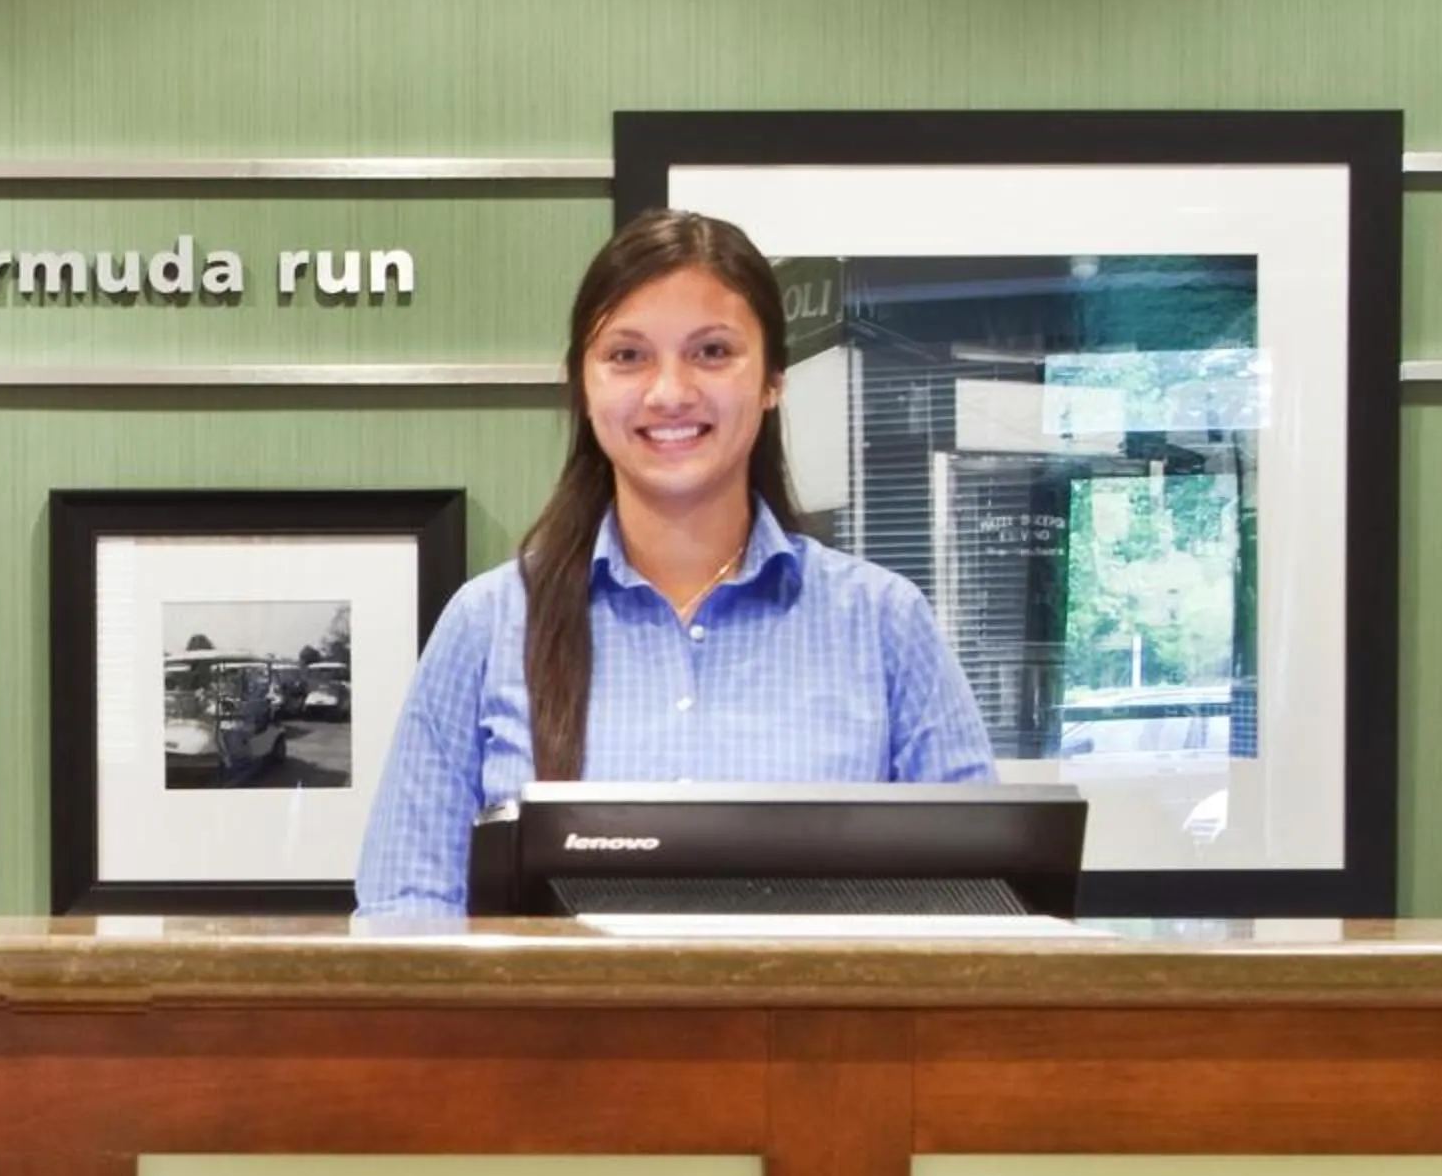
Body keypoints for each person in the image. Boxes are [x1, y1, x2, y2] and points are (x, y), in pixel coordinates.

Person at [354, 208, 997, 917]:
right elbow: (404, 909)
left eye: (712, 352)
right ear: (584, 384)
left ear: (774, 381)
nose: (669, 392)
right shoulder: (488, 623)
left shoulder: (884, 622)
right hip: (555, 1033)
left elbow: (986, 913)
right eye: (627, 355)